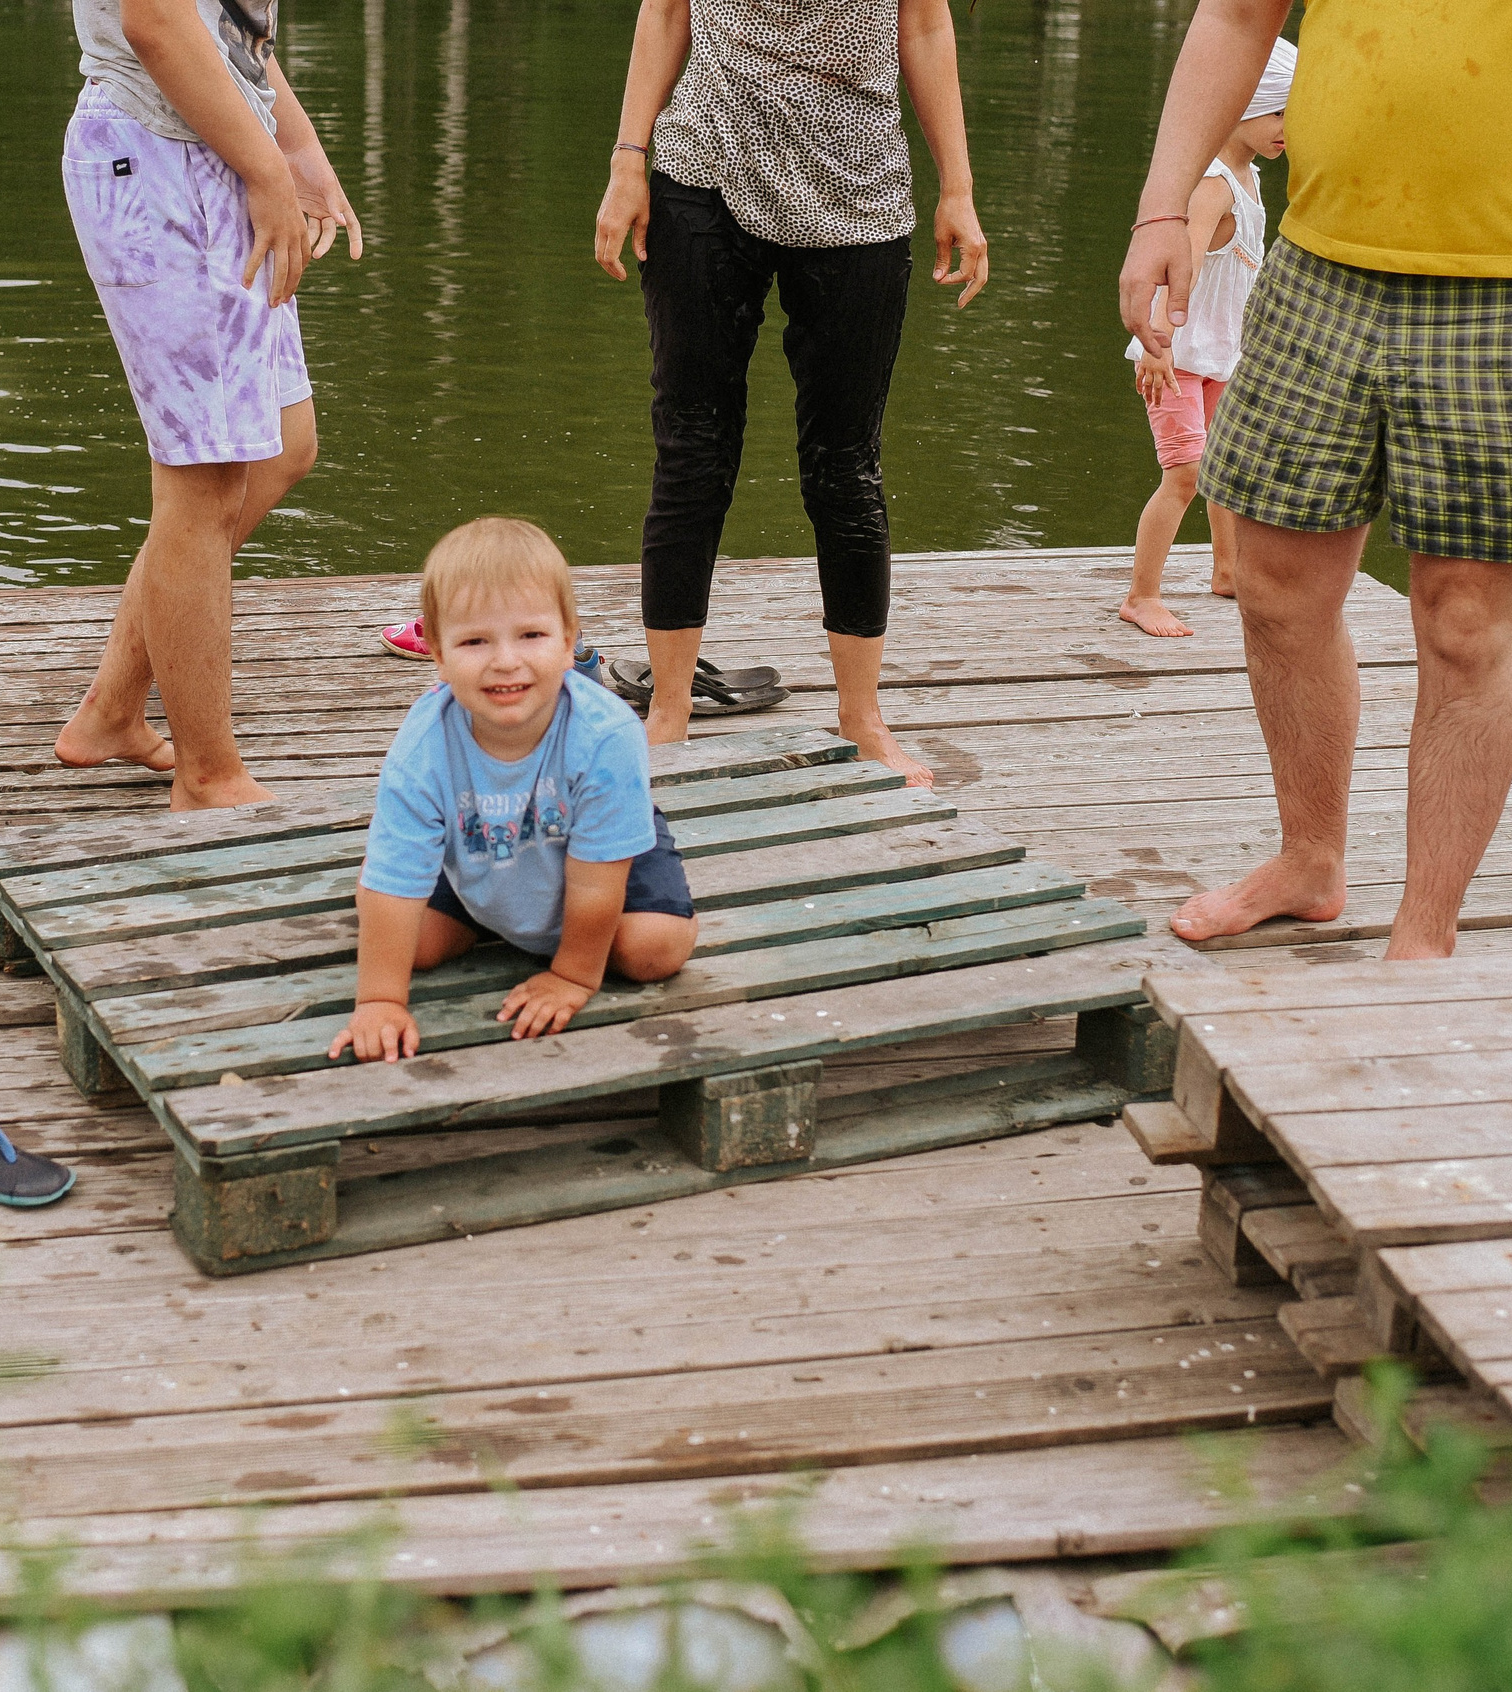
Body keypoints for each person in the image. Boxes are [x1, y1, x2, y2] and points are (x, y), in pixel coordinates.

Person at [1120, 0, 1512, 959]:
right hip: (1321, 267)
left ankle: (1424, 933)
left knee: (1467, 621)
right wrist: (1162, 206)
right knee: (1274, 588)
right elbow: (1235, 15)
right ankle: (1309, 862)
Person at [593, 0, 990, 786]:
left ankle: (862, 717)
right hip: (705, 169)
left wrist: (958, 187)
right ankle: (668, 712)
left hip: (859, 190)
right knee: (692, 450)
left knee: (846, 466)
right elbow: (667, 11)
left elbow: (925, 26)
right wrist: (626, 160)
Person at [52, 0, 363, 809]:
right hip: (159, 163)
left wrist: (295, 150)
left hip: (215, 152)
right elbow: (156, 20)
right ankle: (206, 776)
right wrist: (265, 171)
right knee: (203, 480)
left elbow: (226, 30)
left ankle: (113, 710)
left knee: (284, 444)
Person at [329, 519, 699, 1064]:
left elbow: (597, 885)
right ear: (436, 652)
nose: (506, 661)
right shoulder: (424, 744)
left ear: (569, 639)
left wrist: (571, 976)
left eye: (531, 635)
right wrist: (380, 1000)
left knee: (650, 951)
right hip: (481, 840)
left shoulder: (607, 735)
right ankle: (492, 911)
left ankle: (535, 923)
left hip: (598, 855)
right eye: (475, 641)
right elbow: (390, 882)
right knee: (410, 945)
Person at [1118, 39, 1292, 638]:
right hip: (1177, 356)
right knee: (1185, 476)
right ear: (1239, 106)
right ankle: (1142, 596)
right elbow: (1180, 263)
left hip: (1221, 356)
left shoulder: (1248, 177)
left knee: (1226, 469)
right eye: (1278, 113)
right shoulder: (1212, 185)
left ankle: (1227, 569)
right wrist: (1157, 343)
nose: (1288, 128)